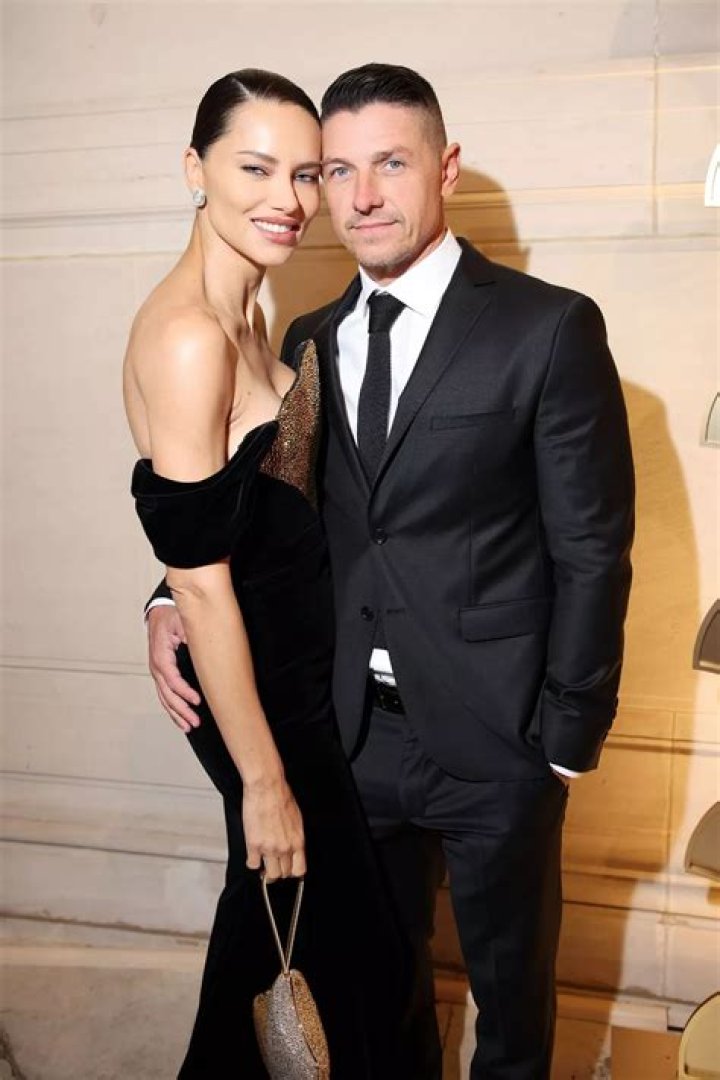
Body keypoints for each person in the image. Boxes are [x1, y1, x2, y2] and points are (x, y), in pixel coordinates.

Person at [147, 63, 635, 1080]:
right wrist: (165, 596)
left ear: (444, 168)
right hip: (349, 741)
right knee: (375, 997)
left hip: (500, 741)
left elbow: (592, 546)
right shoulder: (305, 339)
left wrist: (564, 742)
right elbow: (256, 515)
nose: (360, 196)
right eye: (337, 170)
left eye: (391, 164)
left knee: (512, 1007)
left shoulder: (548, 327)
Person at [125, 68, 406, 1079]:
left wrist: (162, 596)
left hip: (293, 677)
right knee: (328, 960)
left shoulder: (250, 316)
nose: (288, 199)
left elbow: (227, 522)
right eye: (255, 169)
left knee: (290, 949)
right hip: (263, 703)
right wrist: (264, 781)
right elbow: (202, 578)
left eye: (305, 173)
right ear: (193, 169)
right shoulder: (191, 338)